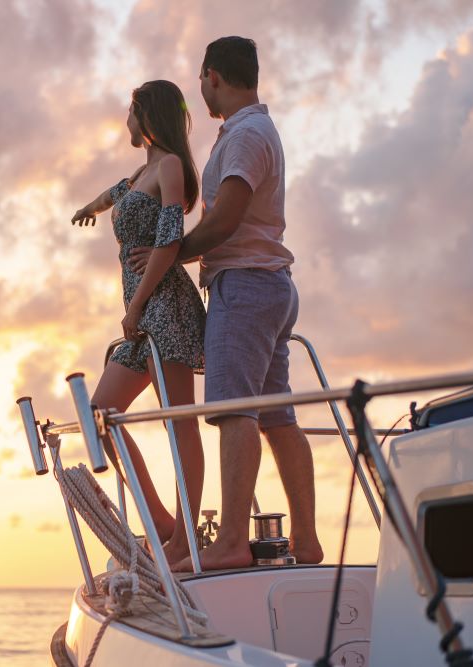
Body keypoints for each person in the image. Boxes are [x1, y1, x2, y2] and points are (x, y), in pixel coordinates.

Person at [128, 37, 324, 570]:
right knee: (278, 418)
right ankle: (305, 543)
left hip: (245, 286)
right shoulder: (252, 132)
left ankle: (232, 542)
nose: (199, 89)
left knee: (232, 411)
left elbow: (226, 218)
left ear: (213, 76)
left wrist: (170, 256)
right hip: (270, 285)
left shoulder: (246, 135)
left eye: (200, 78)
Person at [71, 80, 207, 566]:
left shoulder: (169, 166)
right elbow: (118, 193)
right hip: (142, 317)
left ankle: (186, 538)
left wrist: (135, 307)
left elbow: (170, 238)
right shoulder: (142, 170)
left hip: (164, 309)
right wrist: (90, 208)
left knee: (178, 423)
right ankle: (164, 525)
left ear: (145, 115)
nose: (125, 121)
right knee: (103, 414)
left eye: (130, 112)